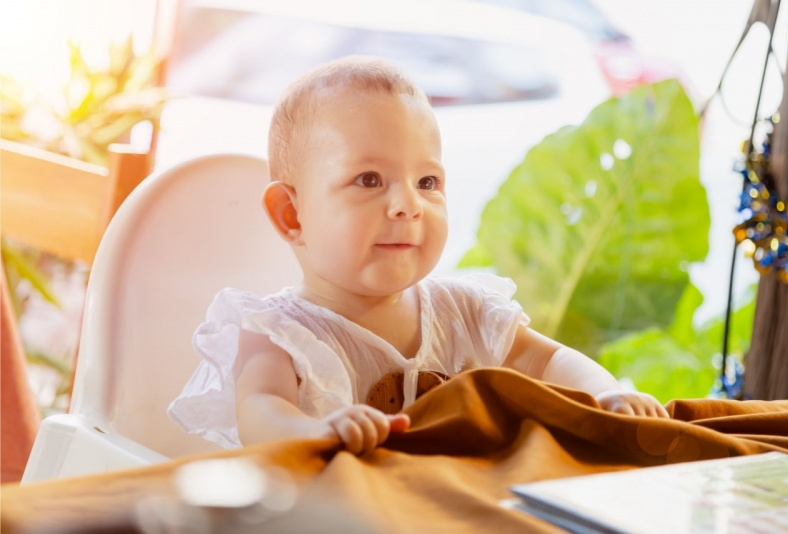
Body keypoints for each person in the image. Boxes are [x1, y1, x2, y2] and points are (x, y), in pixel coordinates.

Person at [168, 56, 669, 456]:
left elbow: (550, 360)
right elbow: (261, 412)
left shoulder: (466, 312)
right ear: (293, 216)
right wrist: (318, 432)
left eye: (427, 182)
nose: (408, 204)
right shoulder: (279, 332)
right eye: (369, 180)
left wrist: (605, 396)